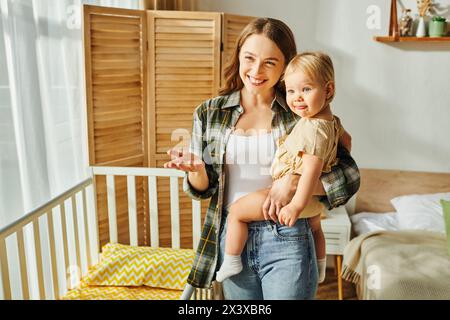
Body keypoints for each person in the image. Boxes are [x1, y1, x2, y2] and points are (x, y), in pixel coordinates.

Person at [164, 18, 360, 300]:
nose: (256, 71)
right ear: (238, 57)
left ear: (286, 67)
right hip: (233, 238)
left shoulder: (300, 110)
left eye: (270, 62)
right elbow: (203, 189)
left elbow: (349, 177)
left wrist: (292, 184)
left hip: (288, 234)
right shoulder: (210, 113)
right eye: (249, 58)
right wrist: (196, 169)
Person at [215, 52, 352, 285]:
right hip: (311, 202)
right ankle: (319, 267)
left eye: (306, 89)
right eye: (291, 91)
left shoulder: (312, 128)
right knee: (316, 226)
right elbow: (346, 142)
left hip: (290, 199)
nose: (297, 98)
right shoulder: (331, 121)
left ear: (328, 91)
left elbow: (311, 171)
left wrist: (296, 204)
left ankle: (231, 260)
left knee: (237, 211)